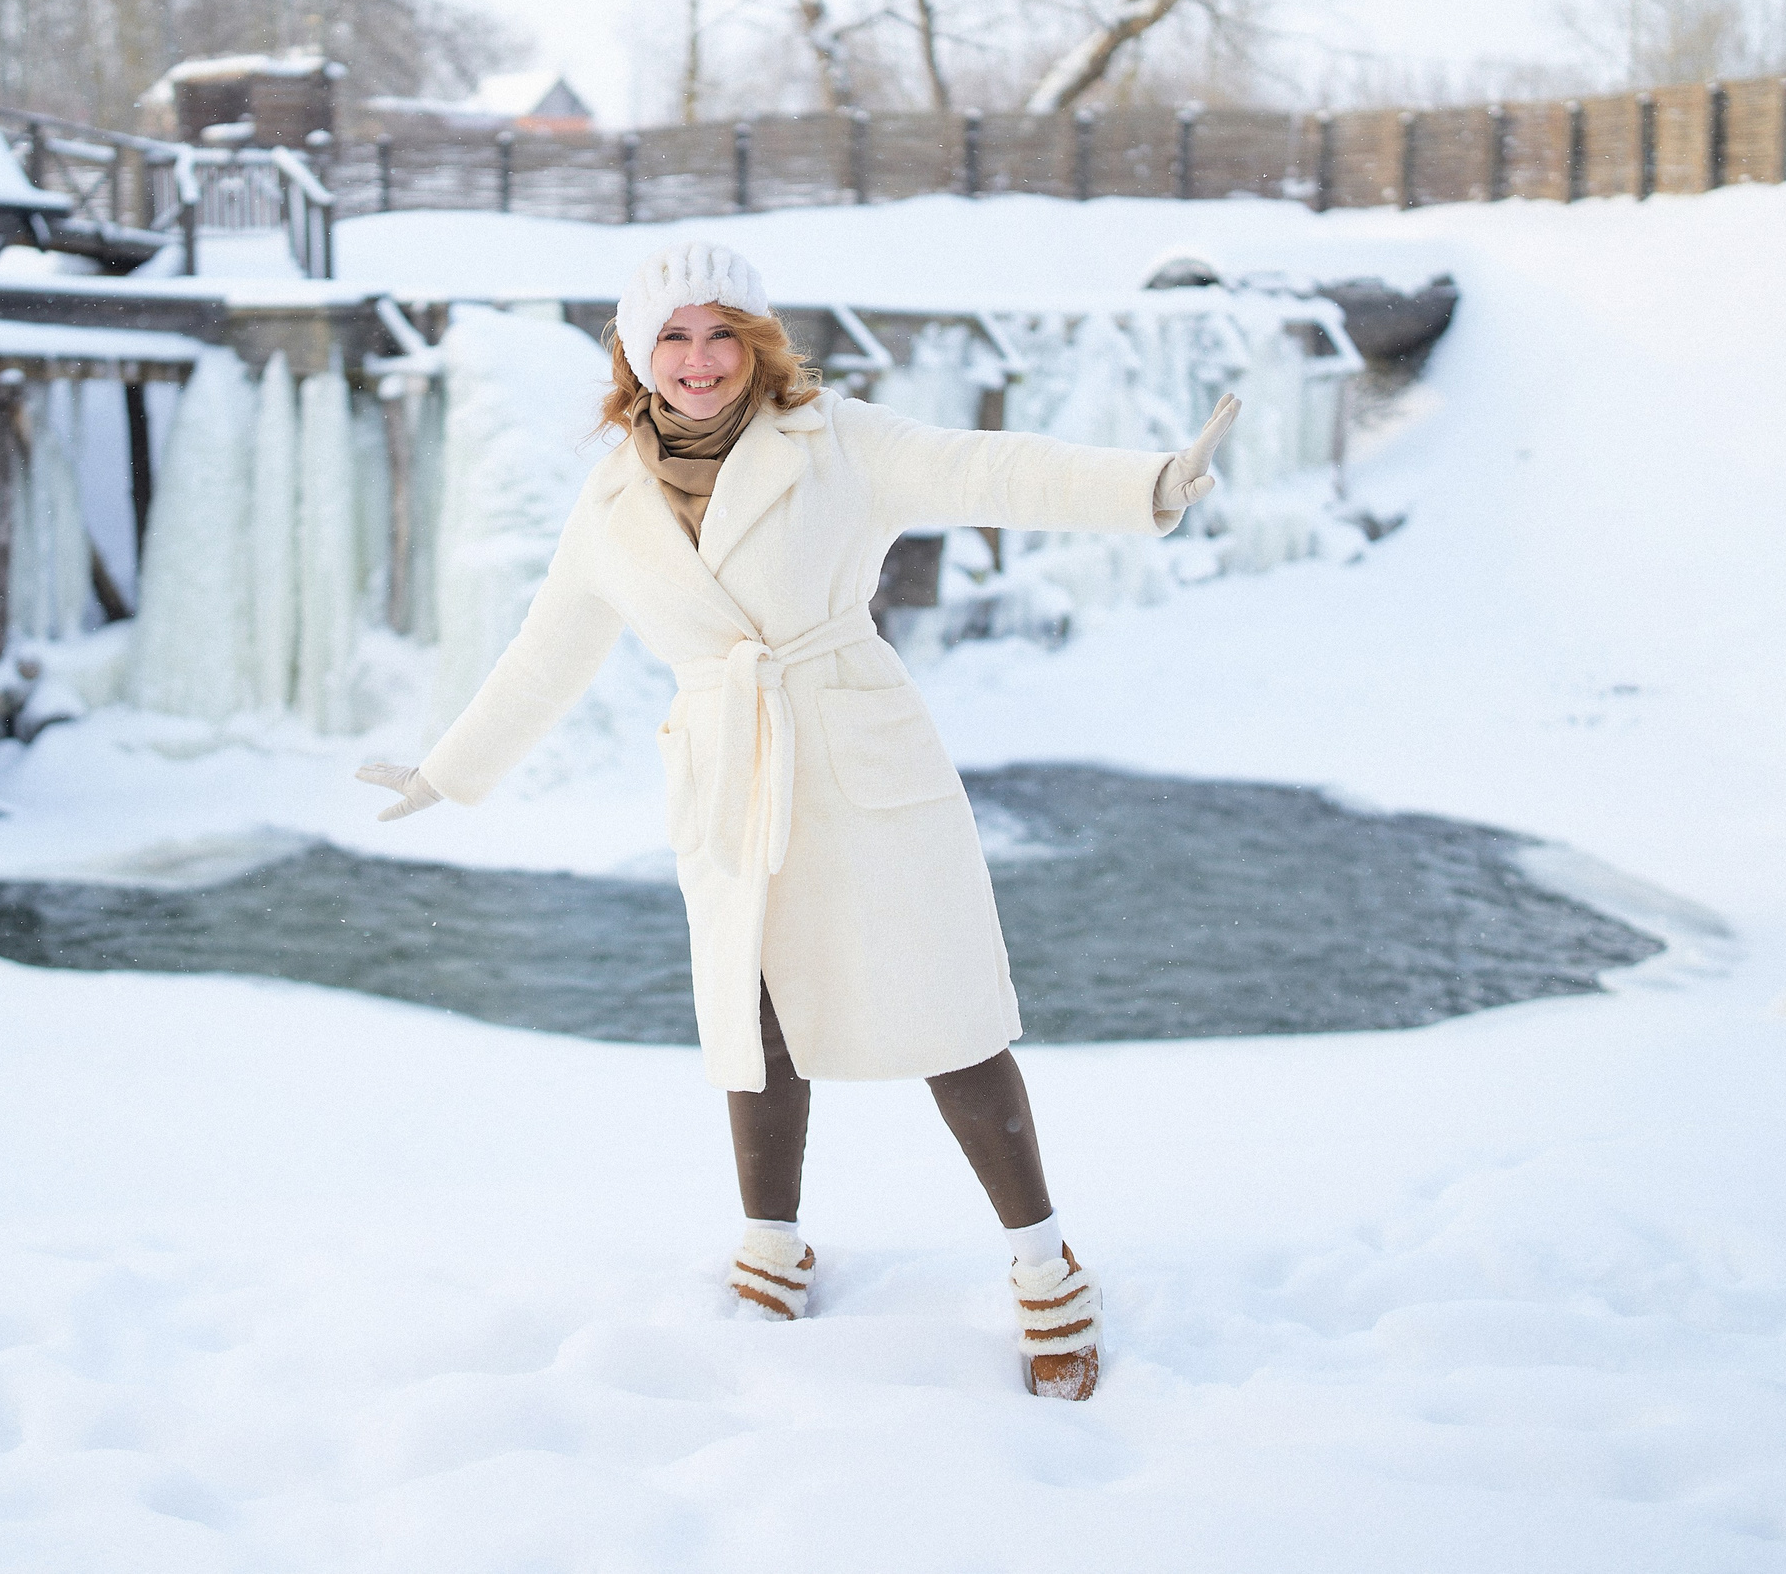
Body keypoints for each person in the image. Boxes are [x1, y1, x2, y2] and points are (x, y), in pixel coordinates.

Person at [358, 242, 1236, 1401]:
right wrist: (447, 770)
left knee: (948, 1017)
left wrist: (1149, 485)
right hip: (727, 765)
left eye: (721, 333)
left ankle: (1046, 1268)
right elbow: (545, 654)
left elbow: (986, 471)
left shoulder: (834, 441)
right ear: (637, 354)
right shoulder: (611, 497)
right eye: (673, 337)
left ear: (756, 341)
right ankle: (772, 1245)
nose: (700, 360)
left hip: (855, 744)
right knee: (753, 1018)